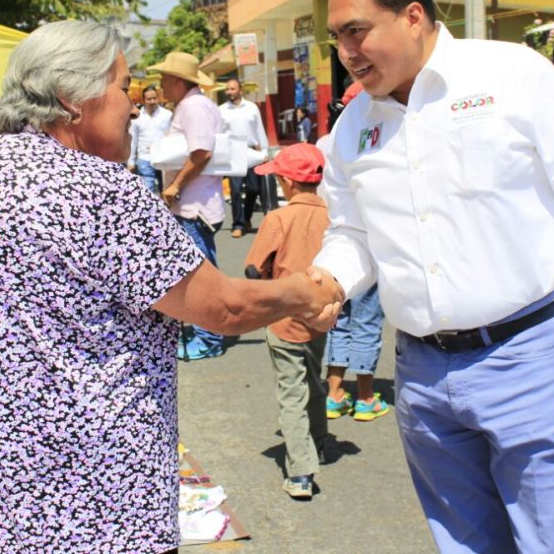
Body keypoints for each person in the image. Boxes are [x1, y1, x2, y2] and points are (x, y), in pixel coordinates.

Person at [0, 21, 342, 554]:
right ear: (72, 101)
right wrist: (303, 292)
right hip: (88, 493)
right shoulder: (97, 189)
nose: (134, 105)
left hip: (0, 483)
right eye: (122, 87)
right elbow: (222, 308)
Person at [311, 0, 554, 553]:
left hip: (532, 358)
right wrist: (326, 283)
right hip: (423, 376)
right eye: (336, 38)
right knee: (464, 543)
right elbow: (354, 233)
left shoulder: (512, 75)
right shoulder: (353, 125)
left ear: (413, 16)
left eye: (356, 32)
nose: (346, 53)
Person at [244, 143, 331, 500]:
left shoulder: (278, 219)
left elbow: (253, 268)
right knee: (315, 380)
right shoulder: (332, 215)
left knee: (292, 392)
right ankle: (319, 444)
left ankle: (300, 472)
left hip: (284, 318)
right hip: (322, 316)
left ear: (288, 183)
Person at [149, 51, 229, 360]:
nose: (161, 85)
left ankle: (209, 338)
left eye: (164, 79)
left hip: (194, 206)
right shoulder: (194, 104)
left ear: (176, 81)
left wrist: (175, 185)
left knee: (199, 275)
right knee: (198, 271)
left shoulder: (193, 107)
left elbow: (201, 153)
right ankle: (206, 334)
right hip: (195, 205)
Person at [320, 82, 389, 423]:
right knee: (366, 323)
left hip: (333, 248)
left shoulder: (326, 143)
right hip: (368, 250)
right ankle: (364, 396)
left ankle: (334, 393)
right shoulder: (383, 141)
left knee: (339, 321)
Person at [218, 77, 268, 238]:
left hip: (252, 152)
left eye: (232, 89)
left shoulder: (252, 108)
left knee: (255, 188)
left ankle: (246, 218)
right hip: (233, 153)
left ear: (240, 90)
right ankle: (237, 224)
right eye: (227, 89)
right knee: (236, 190)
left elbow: (259, 129)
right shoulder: (222, 110)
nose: (229, 92)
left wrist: (264, 150)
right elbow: (219, 134)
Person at [127, 84, 171, 193]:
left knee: (165, 191)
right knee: (147, 192)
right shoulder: (137, 117)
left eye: (154, 98)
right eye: (149, 99)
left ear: (158, 98)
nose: (152, 101)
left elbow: (172, 138)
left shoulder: (167, 115)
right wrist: (131, 161)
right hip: (144, 159)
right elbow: (133, 140)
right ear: (143, 100)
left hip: (163, 159)